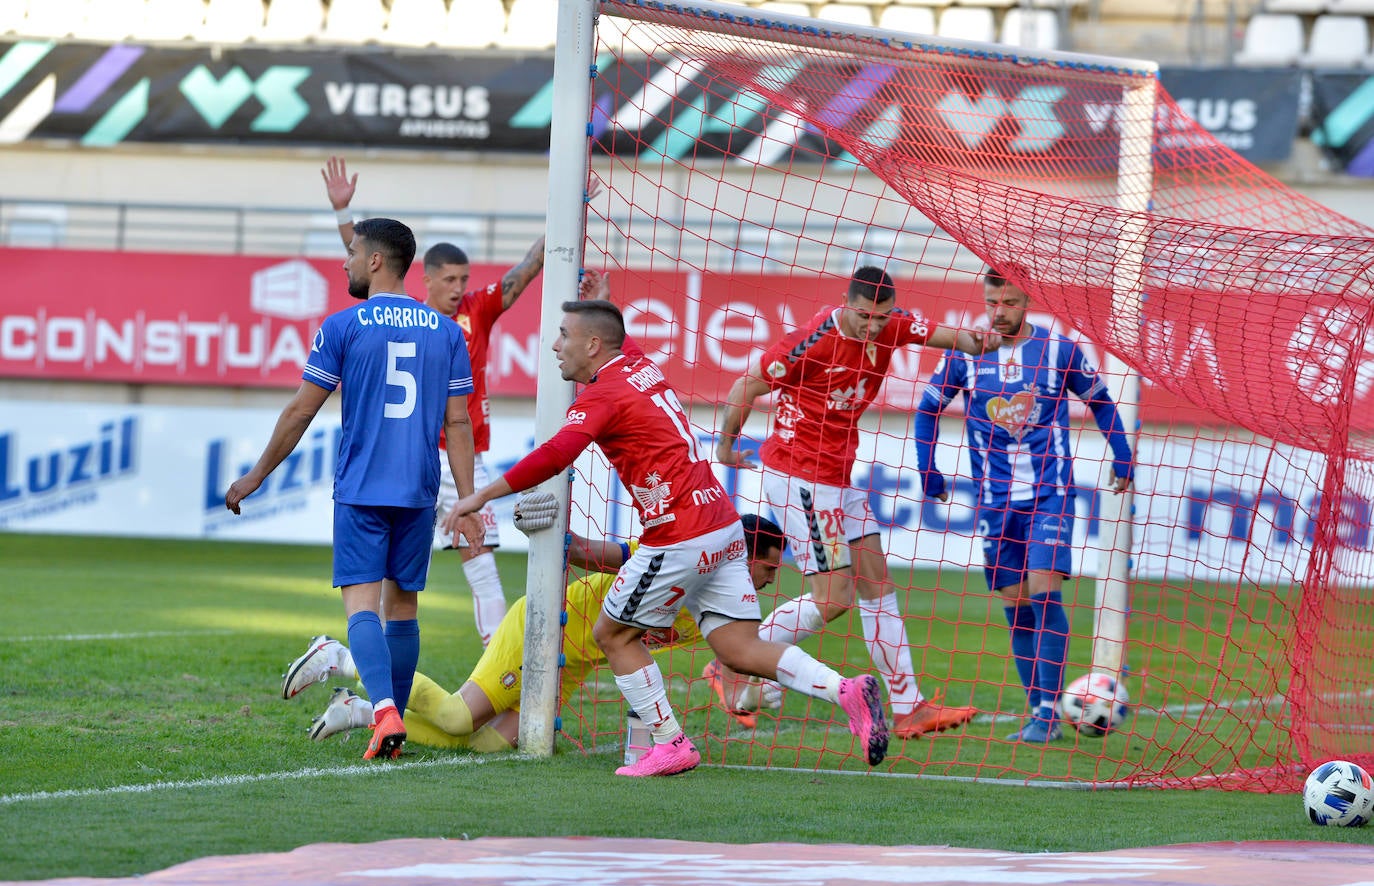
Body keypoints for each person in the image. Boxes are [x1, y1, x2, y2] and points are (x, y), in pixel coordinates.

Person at [443, 297, 890, 777]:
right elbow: (615, 332)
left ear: (593, 345)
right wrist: (604, 291)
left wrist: (478, 496)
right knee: (738, 648)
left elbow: (555, 454)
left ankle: (669, 742)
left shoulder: (603, 395)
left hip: (679, 533)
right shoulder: (636, 362)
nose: (555, 345)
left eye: (564, 335)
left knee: (612, 634)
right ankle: (843, 689)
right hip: (722, 523)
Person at [226, 217, 484, 761]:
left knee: (362, 609)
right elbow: (458, 424)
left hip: (363, 487)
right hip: (419, 489)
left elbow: (302, 409)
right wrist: (468, 500)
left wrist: (256, 475)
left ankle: (384, 712)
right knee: (404, 609)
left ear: (374, 262)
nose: (344, 262)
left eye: (351, 252)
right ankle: (385, 720)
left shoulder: (343, 325)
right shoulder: (447, 332)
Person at [713, 265, 992, 741]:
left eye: (881, 318)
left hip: (840, 476)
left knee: (877, 583)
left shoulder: (895, 325)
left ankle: (910, 707)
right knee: (834, 599)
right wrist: (725, 446)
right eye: (864, 316)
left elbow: (955, 338)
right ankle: (734, 659)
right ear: (847, 302)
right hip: (801, 476)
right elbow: (747, 385)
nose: (873, 327)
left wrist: (988, 339)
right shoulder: (812, 340)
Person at [283, 514, 790, 752]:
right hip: (544, 628)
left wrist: (754, 691)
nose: (770, 581)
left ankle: (356, 710)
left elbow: (735, 657)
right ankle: (344, 657)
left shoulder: (724, 610)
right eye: (767, 569)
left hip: (574, 664)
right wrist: (555, 537)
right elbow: (598, 554)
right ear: (741, 558)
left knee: (486, 748)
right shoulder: (675, 562)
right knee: (459, 719)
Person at [322, 156, 547, 647]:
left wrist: (563, 218)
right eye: (450, 280)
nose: (459, 289)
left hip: (468, 456)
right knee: (397, 583)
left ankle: (497, 658)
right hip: (418, 459)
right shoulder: (412, 318)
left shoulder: (477, 311)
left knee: (482, 560)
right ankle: (374, 664)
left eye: (464, 280)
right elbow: (366, 261)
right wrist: (344, 215)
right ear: (425, 279)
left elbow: (526, 271)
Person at [913, 267, 1133, 743]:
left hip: (1050, 494)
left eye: (1008, 303)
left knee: (1043, 592)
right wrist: (927, 467)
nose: (999, 312)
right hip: (994, 502)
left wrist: (1122, 452)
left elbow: (1101, 401)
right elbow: (928, 407)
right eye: (992, 302)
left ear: (1026, 300)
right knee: (1015, 607)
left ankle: (1050, 713)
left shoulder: (1059, 350)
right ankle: (1039, 709)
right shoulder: (967, 352)